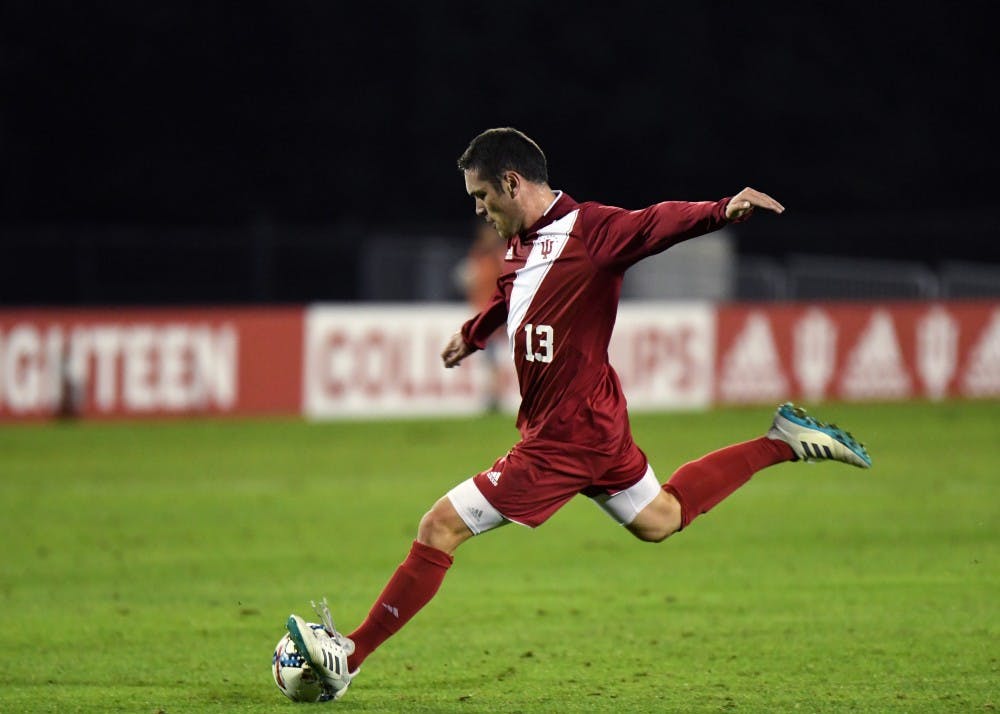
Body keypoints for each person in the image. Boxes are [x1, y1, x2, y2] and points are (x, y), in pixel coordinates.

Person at [286, 127, 872, 701]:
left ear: (512, 182)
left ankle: (349, 655)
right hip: (597, 422)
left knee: (439, 526)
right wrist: (475, 333)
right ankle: (782, 440)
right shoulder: (520, 242)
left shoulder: (591, 231)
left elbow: (656, 223)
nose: (479, 209)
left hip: (563, 439)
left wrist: (723, 210)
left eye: (482, 196)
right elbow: (513, 291)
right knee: (659, 518)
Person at [452, 221, 509, 411]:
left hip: (499, 313)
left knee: (500, 356)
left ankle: (496, 396)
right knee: (491, 357)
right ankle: (494, 396)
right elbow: (470, 282)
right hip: (485, 313)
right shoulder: (478, 256)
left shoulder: (499, 256)